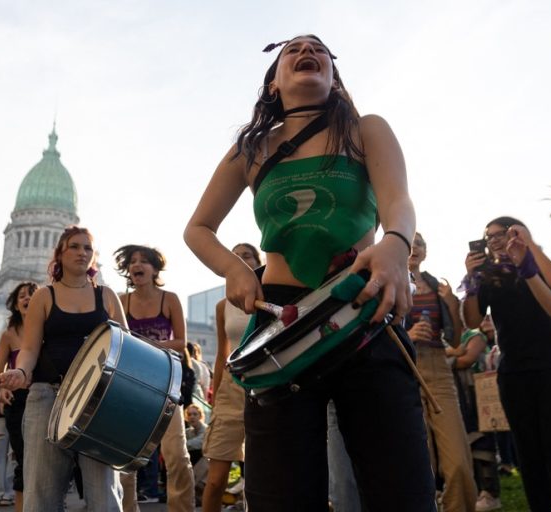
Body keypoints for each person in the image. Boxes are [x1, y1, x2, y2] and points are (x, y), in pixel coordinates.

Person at [184, 34, 435, 510]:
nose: (308, 52)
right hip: (282, 323)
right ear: (274, 83)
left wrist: (395, 244)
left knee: (400, 487)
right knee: (281, 492)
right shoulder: (251, 148)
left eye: (318, 49)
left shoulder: (366, 129)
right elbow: (198, 228)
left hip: (362, 305)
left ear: (333, 76)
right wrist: (235, 270)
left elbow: (398, 201)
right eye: (292, 50)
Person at [0, 226, 126, 512]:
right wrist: (21, 372)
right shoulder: (44, 296)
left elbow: (125, 349)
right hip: (48, 396)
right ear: (59, 254)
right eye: (75, 247)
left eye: (87, 248)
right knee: (42, 495)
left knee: (104, 495)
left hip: (97, 400)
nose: (82, 253)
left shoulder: (107, 296)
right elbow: (29, 349)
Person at [462, 217, 551, 511]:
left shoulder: (535, 264)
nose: (494, 240)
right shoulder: (488, 276)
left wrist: (527, 246)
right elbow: (471, 321)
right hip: (513, 371)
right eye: (488, 236)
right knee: (527, 449)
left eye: (501, 233)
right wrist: (470, 280)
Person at [113, 244, 196, 512]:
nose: (137, 265)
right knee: (126, 458)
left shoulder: (169, 298)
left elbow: (182, 342)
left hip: (166, 382)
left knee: (176, 455)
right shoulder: (120, 300)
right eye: (133, 261)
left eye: (143, 261)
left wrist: (151, 344)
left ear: (155, 268)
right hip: (132, 384)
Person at [406, 232, 476, 511]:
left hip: (439, 366)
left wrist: (453, 305)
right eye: (409, 243)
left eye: (419, 243)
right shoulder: (389, 282)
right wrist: (407, 335)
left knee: (458, 461)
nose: (414, 248)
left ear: (425, 252)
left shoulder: (440, 288)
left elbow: (458, 342)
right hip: (406, 369)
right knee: (419, 461)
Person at [202, 243, 260, 512]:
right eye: (234, 257)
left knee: (259, 479)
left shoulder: (269, 296)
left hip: (263, 385)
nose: (239, 261)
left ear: (258, 262)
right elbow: (221, 353)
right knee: (215, 480)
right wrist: (215, 395)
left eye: (246, 256)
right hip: (230, 387)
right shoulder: (222, 305)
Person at [445, 316, 503, 511]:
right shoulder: (446, 339)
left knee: (483, 442)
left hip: (476, 396)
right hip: (455, 395)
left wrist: (446, 357)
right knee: (464, 444)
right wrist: (454, 353)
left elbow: (467, 359)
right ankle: (473, 490)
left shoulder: (475, 335)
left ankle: (490, 492)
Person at [0, 281, 39, 512]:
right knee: (23, 457)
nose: (27, 298)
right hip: (19, 399)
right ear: (16, 303)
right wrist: (2, 388)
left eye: (33, 295)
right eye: (22, 295)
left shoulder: (48, 331)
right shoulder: (9, 335)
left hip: (45, 396)